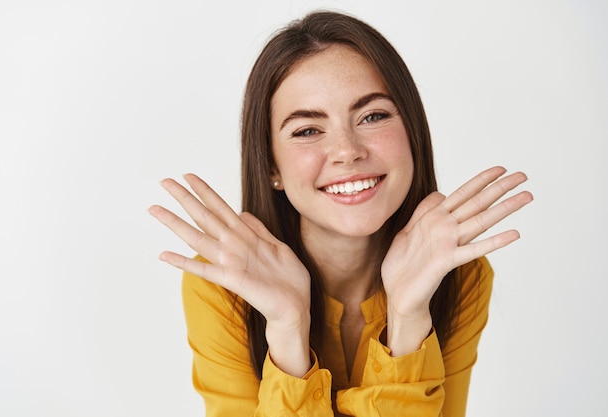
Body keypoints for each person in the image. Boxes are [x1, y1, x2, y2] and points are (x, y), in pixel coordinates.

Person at [149, 10, 533, 417]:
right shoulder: (226, 283)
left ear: (413, 134)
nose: (348, 150)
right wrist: (286, 333)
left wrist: (407, 320)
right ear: (272, 168)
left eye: (373, 116)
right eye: (308, 130)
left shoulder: (459, 275)